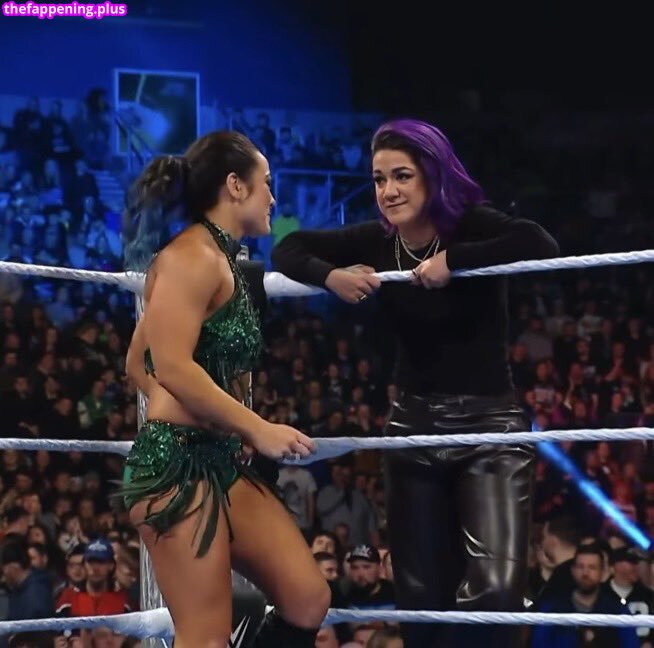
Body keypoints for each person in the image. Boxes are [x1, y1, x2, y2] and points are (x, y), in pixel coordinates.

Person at [272, 118, 560, 648]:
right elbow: (288, 248)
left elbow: (540, 242)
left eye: (401, 176)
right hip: (412, 428)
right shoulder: (378, 240)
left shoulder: (470, 225)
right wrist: (331, 277)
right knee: (421, 601)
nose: (388, 191)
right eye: (379, 179)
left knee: (496, 592)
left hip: (490, 427)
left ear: (433, 175)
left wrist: (455, 260)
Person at [118, 131, 330, 647]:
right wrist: (252, 426)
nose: (272, 197)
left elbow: (139, 362)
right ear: (235, 186)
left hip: (218, 459)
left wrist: (217, 419)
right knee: (206, 637)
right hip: (174, 465)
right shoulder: (189, 257)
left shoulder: (222, 259)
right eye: (266, 183)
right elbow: (166, 365)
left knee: (307, 597)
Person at [532, 544, 639, 648]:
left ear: (602, 573)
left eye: (592, 567)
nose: (585, 573)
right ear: (573, 570)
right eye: (580, 567)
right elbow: (538, 644)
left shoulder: (617, 612)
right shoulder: (553, 609)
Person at [603, 547, 653, 647]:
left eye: (637, 563)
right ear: (616, 565)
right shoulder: (602, 593)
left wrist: (650, 642)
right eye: (632, 563)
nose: (636, 567)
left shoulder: (648, 596)